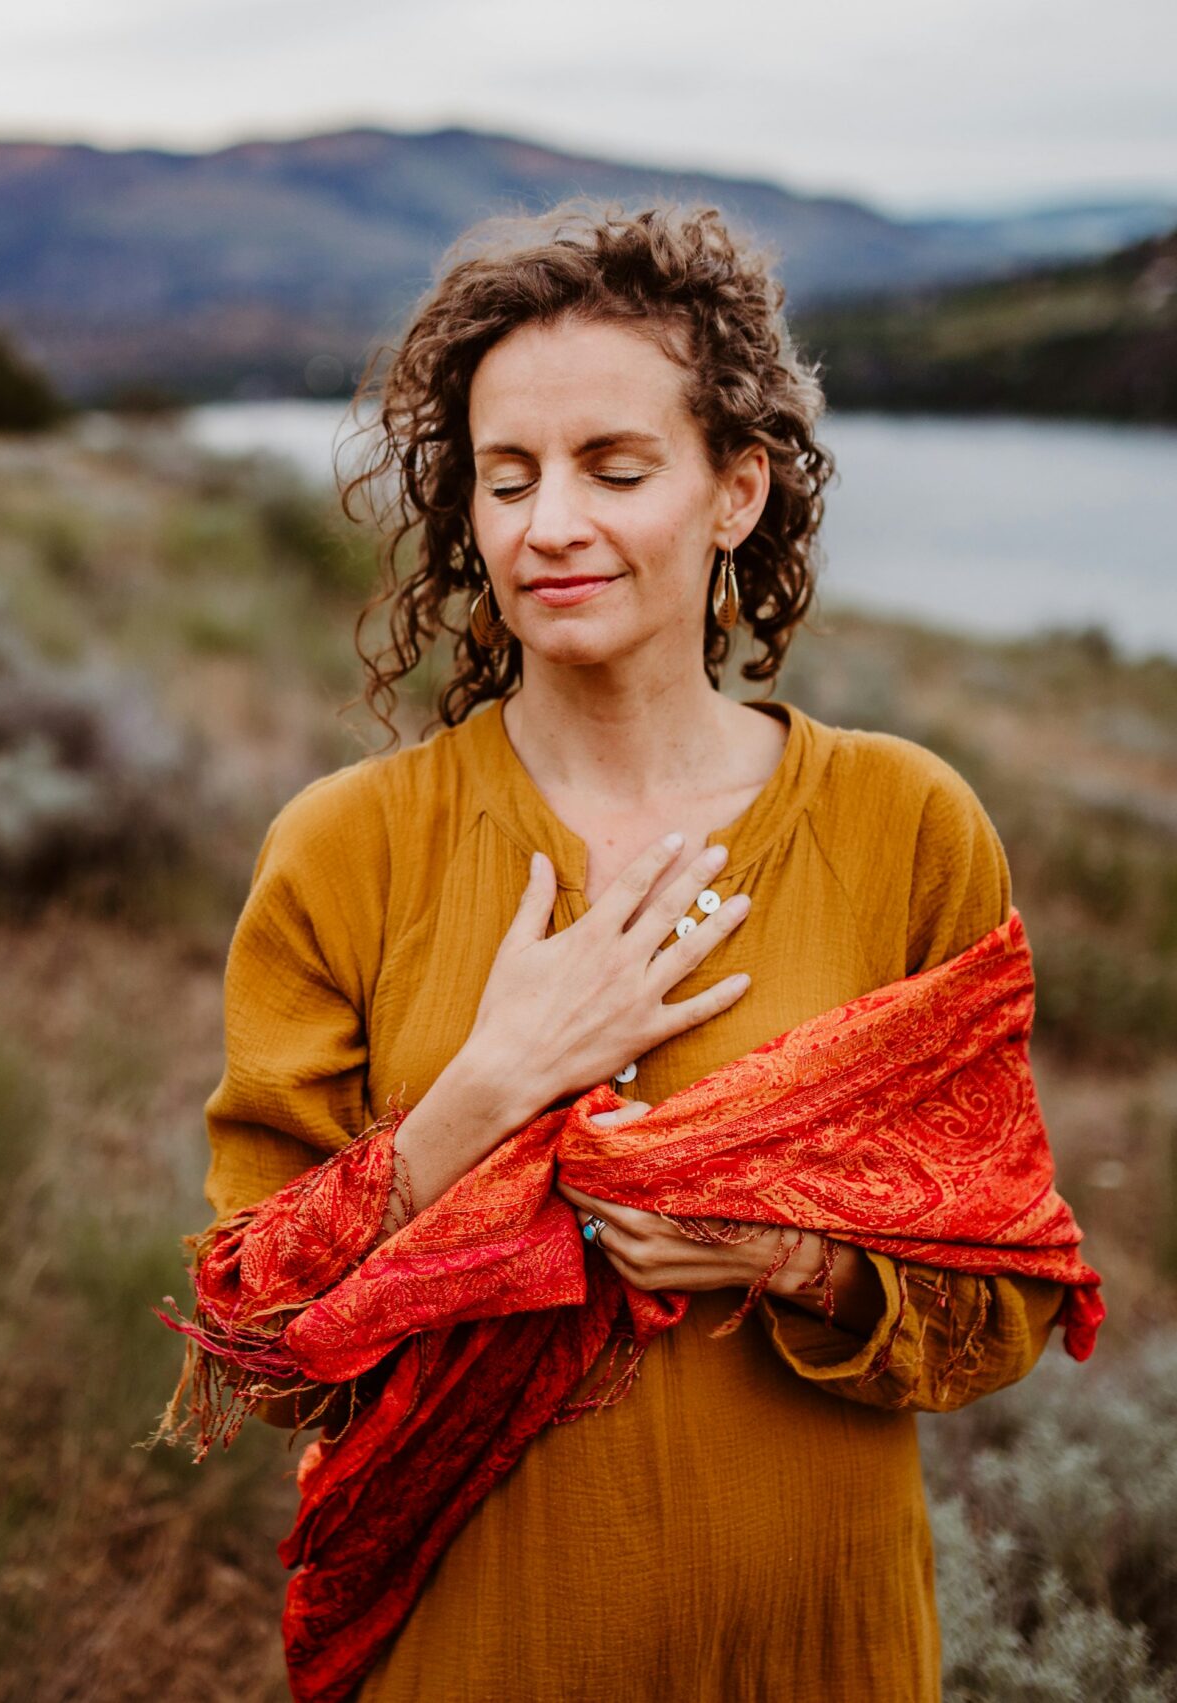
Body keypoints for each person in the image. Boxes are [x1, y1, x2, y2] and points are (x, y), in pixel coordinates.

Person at [194, 198, 1070, 1702]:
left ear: (735, 492)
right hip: (481, 1650)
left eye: (615, 468)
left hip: (819, 1651)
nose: (550, 526)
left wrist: (789, 1256)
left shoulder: (905, 824)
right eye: (507, 476)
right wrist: (491, 1085)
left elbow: (1005, 1301)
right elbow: (256, 1334)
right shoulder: (348, 850)